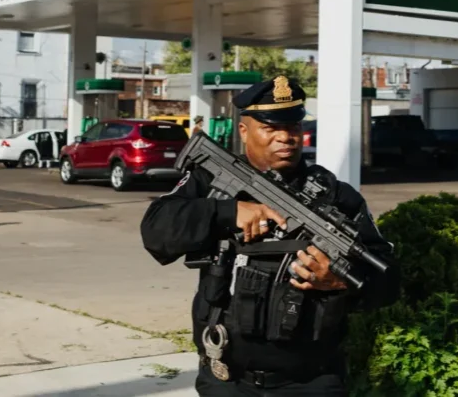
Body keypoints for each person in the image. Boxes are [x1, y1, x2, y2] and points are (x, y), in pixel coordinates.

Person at [140, 75, 400, 396]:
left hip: (312, 382)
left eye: (292, 128)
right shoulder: (211, 182)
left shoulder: (337, 199)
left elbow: (387, 282)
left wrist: (339, 283)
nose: (285, 138)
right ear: (244, 131)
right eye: (270, 128)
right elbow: (156, 231)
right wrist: (230, 212)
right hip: (227, 379)